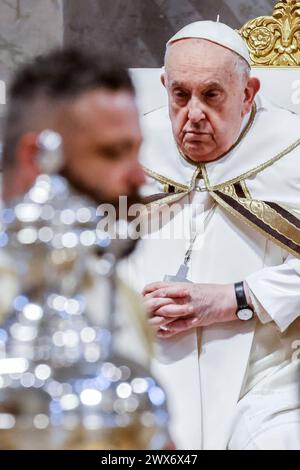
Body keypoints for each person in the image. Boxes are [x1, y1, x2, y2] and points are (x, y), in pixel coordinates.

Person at [121, 21, 300, 449]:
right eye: (180, 95)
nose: (194, 115)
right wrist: (125, 307)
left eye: (212, 95)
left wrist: (235, 298)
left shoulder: (292, 152)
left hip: (267, 381)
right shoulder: (127, 149)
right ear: (165, 86)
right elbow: (78, 261)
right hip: (140, 368)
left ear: (248, 93)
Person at [0, 47, 152, 365]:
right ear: (37, 157)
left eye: (136, 151)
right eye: (112, 153)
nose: (139, 175)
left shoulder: (122, 301)